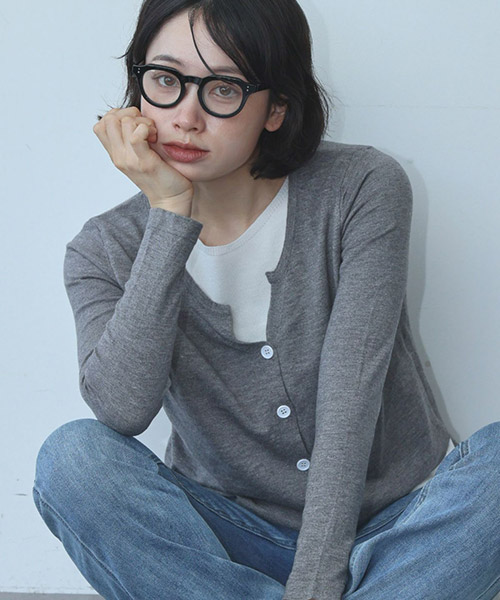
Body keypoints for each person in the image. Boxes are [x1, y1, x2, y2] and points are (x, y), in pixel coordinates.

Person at [32, 0, 500, 599]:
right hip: (234, 539)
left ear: (276, 106)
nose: (186, 118)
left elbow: (350, 395)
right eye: (166, 81)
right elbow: (122, 411)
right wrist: (170, 213)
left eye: (223, 89)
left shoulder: (360, 189)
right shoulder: (103, 250)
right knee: (73, 460)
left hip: (400, 527)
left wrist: (315, 581)